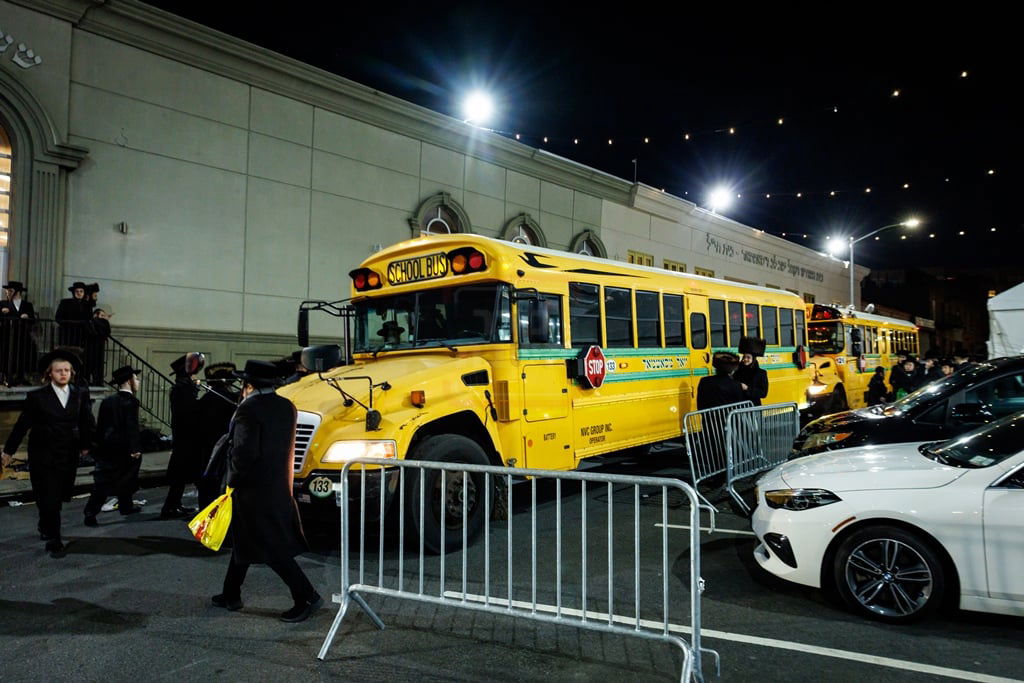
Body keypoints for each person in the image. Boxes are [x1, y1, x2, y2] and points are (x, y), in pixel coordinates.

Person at [212, 360, 322, 622]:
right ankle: (231, 593)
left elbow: (244, 453)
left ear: (248, 384)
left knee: (270, 546)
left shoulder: (248, 409)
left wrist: (232, 481)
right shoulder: (286, 406)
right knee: (244, 540)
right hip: (277, 484)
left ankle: (306, 596)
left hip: (253, 488)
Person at [2, 349, 94, 556]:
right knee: (49, 496)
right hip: (43, 453)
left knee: (58, 496)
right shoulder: (37, 396)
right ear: (49, 373)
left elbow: (86, 421)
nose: (63, 374)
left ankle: (46, 524)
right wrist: (8, 451)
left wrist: (87, 445)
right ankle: (55, 538)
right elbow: (22, 425)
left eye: (67, 370)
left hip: (68, 453)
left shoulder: (79, 394)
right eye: (59, 370)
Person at [83, 366, 143, 526]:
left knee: (104, 482)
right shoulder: (131, 402)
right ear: (129, 381)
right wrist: (135, 448)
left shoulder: (108, 401)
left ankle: (92, 512)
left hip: (107, 447)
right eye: (135, 379)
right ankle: (125, 506)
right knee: (127, 477)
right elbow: (131, 427)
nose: (138, 381)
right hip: (124, 448)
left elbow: (101, 427)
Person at [161, 352, 205, 519]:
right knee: (181, 475)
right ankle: (170, 507)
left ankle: (174, 505)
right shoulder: (182, 389)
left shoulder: (182, 388)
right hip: (185, 437)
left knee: (180, 475)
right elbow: (189, 411)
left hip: (183, 437)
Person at [196, 362, 239, 509]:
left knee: (207, 480)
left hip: (205, 446)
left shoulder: (204, 399)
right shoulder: (233, 399)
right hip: (223, 446)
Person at [2, 281, 37, 385]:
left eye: (10, 290)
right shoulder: (3, 303)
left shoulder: (27, 305)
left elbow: (33, 320)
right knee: (7, 355)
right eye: (7, 290)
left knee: (22, 354)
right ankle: (7, 376)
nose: (7, 292)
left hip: (22, 335)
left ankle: (21, 376)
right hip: (6, 335)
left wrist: (27, 317)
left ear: (17, 292)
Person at [55, 282, 91, 348]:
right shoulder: (65, 302)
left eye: (81, 291)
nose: (79, 293)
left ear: (84, 293)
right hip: (67, 334)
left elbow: (89, 319)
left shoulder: (87, 305)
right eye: (77, 291)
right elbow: (58, 318)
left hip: (81, 336)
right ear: (73, 293)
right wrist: (69, 323)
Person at [735, 337, 769, 406]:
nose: (745, 359)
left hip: (753, 407)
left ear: (753, 359)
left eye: (748, 357)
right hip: (738, 407)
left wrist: (747, 388)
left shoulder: (761, 373)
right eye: (744, 357)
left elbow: (763, 393)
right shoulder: (737, 371)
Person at [85, 307, 112, 386]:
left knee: (99, 364)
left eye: (104, 315)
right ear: (95, 315)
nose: (103, 317)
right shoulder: (92, 321)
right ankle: (88, 380)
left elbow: (107, 332)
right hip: (91, 345)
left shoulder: (104, 323)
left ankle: (97, 381)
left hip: (100, 345)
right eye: (102, 315)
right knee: (90, 363)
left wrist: (104, 320)